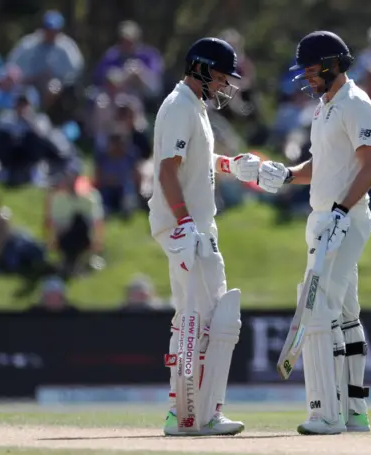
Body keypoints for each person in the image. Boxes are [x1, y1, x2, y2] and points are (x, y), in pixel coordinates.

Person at [257, 31, 371, 435]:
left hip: (346, 218)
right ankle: (355, 411)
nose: (307, 78)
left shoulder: (356, 104)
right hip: (323, 218)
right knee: (345, 312)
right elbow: (324, 163)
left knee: (320, 305)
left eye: (311, 70)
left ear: (331, 64)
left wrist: (343, 212)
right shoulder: (325, 106)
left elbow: (370, 167)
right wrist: (289, 174)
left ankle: (326, 412)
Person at [148, 37, 261, 436]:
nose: (224, 85)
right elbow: (166, 170)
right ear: (200, 68)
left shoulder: (190, 107)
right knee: (209, 319)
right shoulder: (180, 106)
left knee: (193, 318)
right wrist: (184, 223)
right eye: (220, 76)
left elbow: (196, 159)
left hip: (192, 225)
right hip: (186, 226)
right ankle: (194, 415)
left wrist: (231, 165)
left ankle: (183, 411)